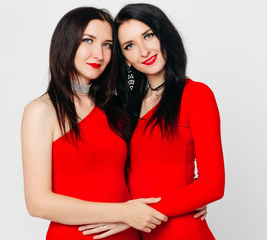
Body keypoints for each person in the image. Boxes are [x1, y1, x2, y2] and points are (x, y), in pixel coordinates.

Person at [21, 7, 172, 240]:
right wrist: (122, 213)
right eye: (88, 41)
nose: (99, 54)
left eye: (108, 45)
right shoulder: (42, 110)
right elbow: (38, 203)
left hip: (128, 233)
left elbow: (150, 169)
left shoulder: (116, 108)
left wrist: (184, 204)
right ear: (66, 42)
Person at [80, 3, 224, 239]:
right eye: (130, 46)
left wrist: (136, 217)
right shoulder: (123, 107)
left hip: (181, 232)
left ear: (163, 35)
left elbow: (213, 184)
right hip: (140, 234)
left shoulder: (196, 95)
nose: (144, 51)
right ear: (125, 58)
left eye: (148, 35)